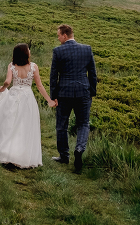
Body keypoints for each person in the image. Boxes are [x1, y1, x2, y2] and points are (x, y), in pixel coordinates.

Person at [0, 43, 57, 168]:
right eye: (28, 49)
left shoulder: (12, 66)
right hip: (27, 97)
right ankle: (22, 154)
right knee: (25, 125)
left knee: (10, 124)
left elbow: (7, 81)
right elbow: (39, 86)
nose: (29, 51)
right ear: (25, 53)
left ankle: (8, 152)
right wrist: (49, 100)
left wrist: (2, 88)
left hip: (14, 95)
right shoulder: (34, 67)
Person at [50, 24, 97, 173]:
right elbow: (93, 74)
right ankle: (79, 148)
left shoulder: (58, 51)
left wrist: (53, 96)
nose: (58, 38)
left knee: (61, 125)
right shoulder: (87, 49)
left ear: (65, 35)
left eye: (58, 35)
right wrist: (91, 92)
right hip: (83, 92)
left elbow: (53, 76)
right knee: (83, 124)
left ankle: (64, 156)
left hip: (64, 93)